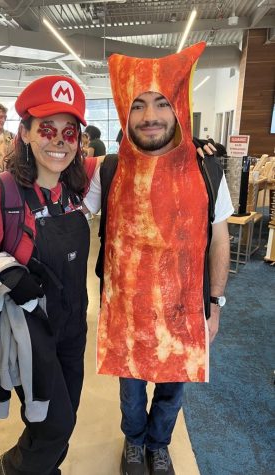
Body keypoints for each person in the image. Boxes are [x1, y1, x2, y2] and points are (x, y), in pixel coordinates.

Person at [86, 43, 234, 475]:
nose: (150, 115)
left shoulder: (206, 170)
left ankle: (159, 445)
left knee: (173, 388)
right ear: (124, 113)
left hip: (184, 308)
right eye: (138, 104)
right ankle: (134, 443)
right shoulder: (107, 169)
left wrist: (216, 302)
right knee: (130, 389)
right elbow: (65, 210)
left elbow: (219, 239)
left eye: (161, 102)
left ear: (179, 107)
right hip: (127, 311)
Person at [0, 75, 100, 475]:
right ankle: (15, 468)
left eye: (69, 132)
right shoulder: (1, 194)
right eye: (47, 130)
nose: (59, 141)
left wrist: (185, 147)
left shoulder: (77, 186)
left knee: (63, 413)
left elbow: (134, 158)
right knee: (56, 421)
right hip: (28, 330)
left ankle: (40, 469)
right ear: (24, 133)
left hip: (73, 323)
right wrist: (10, 275)